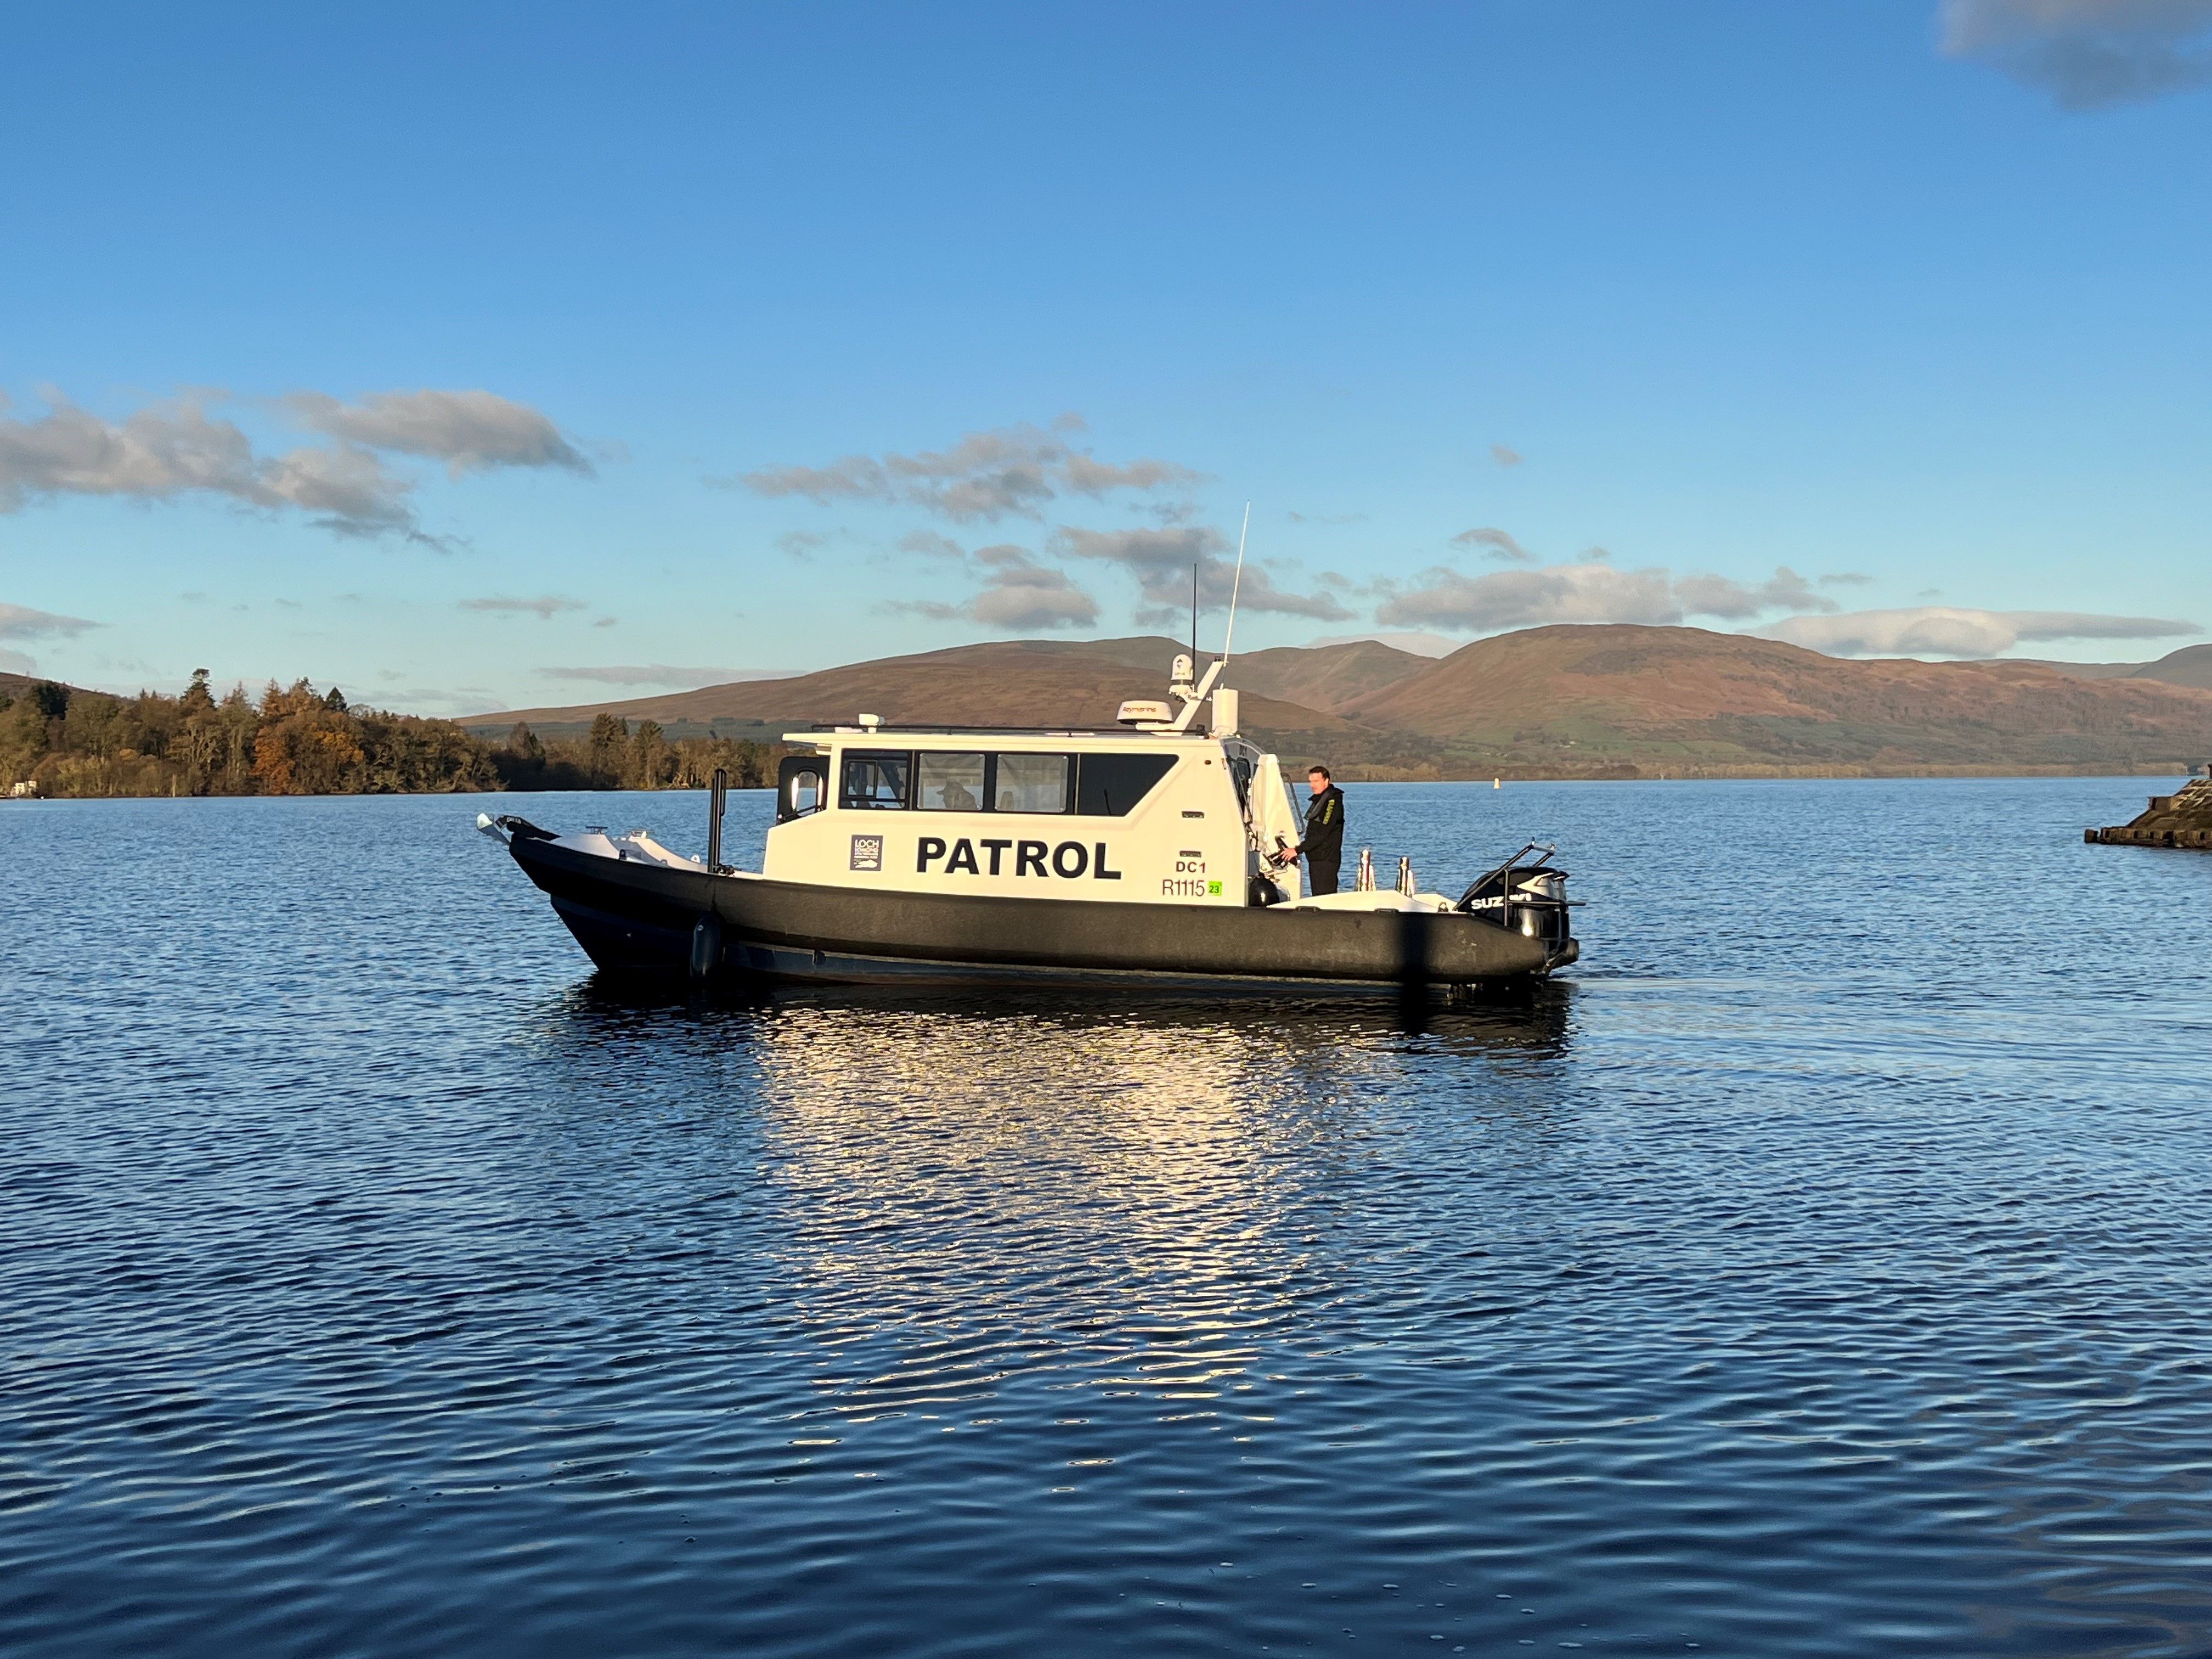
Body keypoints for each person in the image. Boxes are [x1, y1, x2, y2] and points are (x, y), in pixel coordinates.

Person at [1290, 764, 1345, 895]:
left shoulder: (1332, 801)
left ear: (1326, 781)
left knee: (1325, 897)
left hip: (1326, 858)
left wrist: (1297, 850)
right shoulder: (1320, 801)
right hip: (1317, 858)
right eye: (1310, 782)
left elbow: (1323, 832)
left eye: (1316, 781)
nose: (1312, 785)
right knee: (1318, 895)